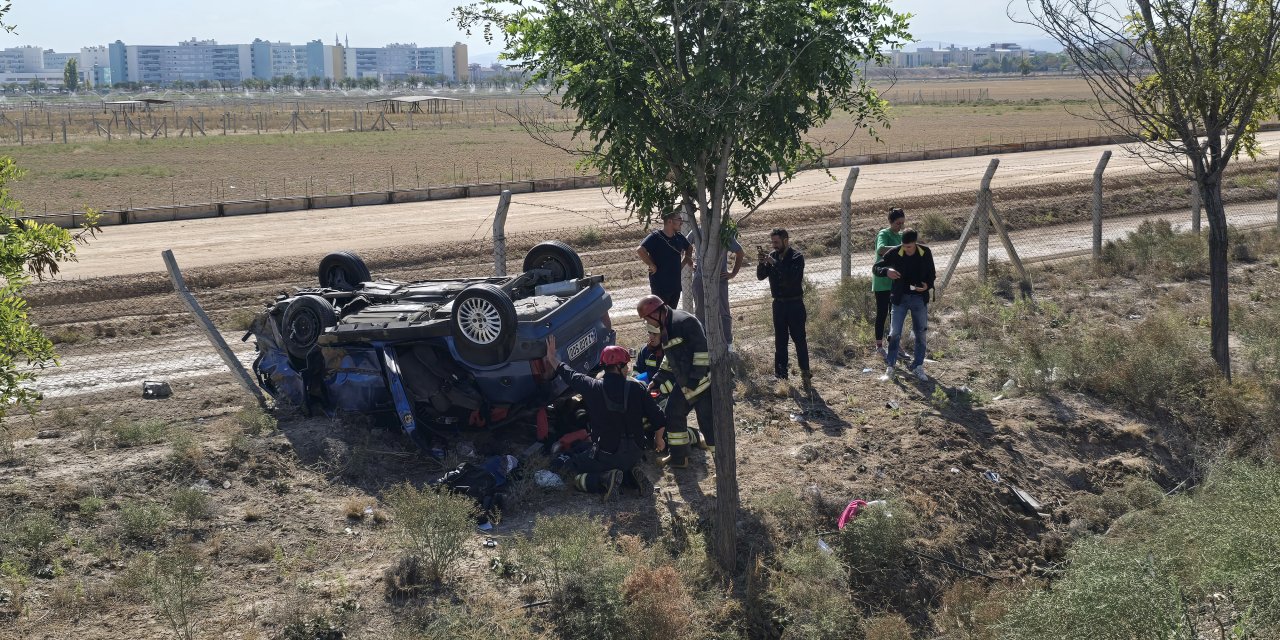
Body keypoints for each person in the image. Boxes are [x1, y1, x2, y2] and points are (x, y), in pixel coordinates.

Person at [544, 338, 665, 499]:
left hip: (607, 454)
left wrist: (552, 358)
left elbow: (571, 375)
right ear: (618, 367)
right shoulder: (638, 388)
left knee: (572, 469)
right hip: (635, 453)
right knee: (620, 465)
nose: (628, 369)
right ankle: (631, 478)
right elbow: (659, 417)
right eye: (626, 365)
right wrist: (659, 440)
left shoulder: (593, 387)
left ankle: (605, 479)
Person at [636, 294, 712, 469]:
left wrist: (694, 379)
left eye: (647, 318)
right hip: (686, 383)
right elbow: (669, 359)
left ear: (656, 313)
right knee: (672, 413)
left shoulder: (684, 322)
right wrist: (657, 379)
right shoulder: (665, 328)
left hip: (702, 383)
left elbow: (702, 352)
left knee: (707, 424)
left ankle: (722, 469)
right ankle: (679, 458)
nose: (647, 323)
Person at [871, 228, 936, 382]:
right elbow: (876, 268)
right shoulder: (895, 252)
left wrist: (927, 285)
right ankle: (891, 368)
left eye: (909, 247)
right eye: (904, 246)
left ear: (915, 243)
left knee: (920, 333)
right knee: (894, 334)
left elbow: (932, 274)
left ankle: (918, 366)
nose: (906, 250)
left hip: (919, 299)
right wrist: (886, 271)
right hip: (899, 299)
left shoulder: (925, 252)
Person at [756, 228, 811, 384]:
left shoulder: (797, 257)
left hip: (794, 304)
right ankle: (781, 376)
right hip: (779, 305)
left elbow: (791, 278)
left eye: (777, 242)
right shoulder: (773, 256)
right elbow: (761, 276)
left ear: (786, 240)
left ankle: (805, 373)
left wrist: (775, 263)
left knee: (799, 339)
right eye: (772, 242)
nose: (774, 246)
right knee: (780, 341)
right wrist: (761, 263)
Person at [692, 237, 746, 350]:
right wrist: (690, 261)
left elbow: (740, 252)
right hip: (700, 279)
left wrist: (733, 273)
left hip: (719, 278)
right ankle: (703, 344)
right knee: (700, 312)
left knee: (723, 312)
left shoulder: (723, 232)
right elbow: (684, 246)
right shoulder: (698, 230)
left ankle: (728, 345)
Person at [636, 211, 695, 308]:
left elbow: (689, 247)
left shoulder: (679, 237)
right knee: (661, 316)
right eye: (679, 219)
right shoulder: (655, 237)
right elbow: (640, 250)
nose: (681, 222)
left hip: (675, 286)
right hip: (660, 287)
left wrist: (685, 261)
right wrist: (651, 265)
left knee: (671, 315)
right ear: (670, 222)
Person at [873, 208, 907, 357]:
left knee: (895, 315)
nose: (901, 226)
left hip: (896, 281)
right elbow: (881, 249)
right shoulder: (884, 234)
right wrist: (900, 248)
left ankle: (894, 344)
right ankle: (879, 346)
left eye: (902, 223)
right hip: (882, 280)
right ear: (891, 222)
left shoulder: (900, 236)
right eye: (898, 223)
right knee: (882, 313)